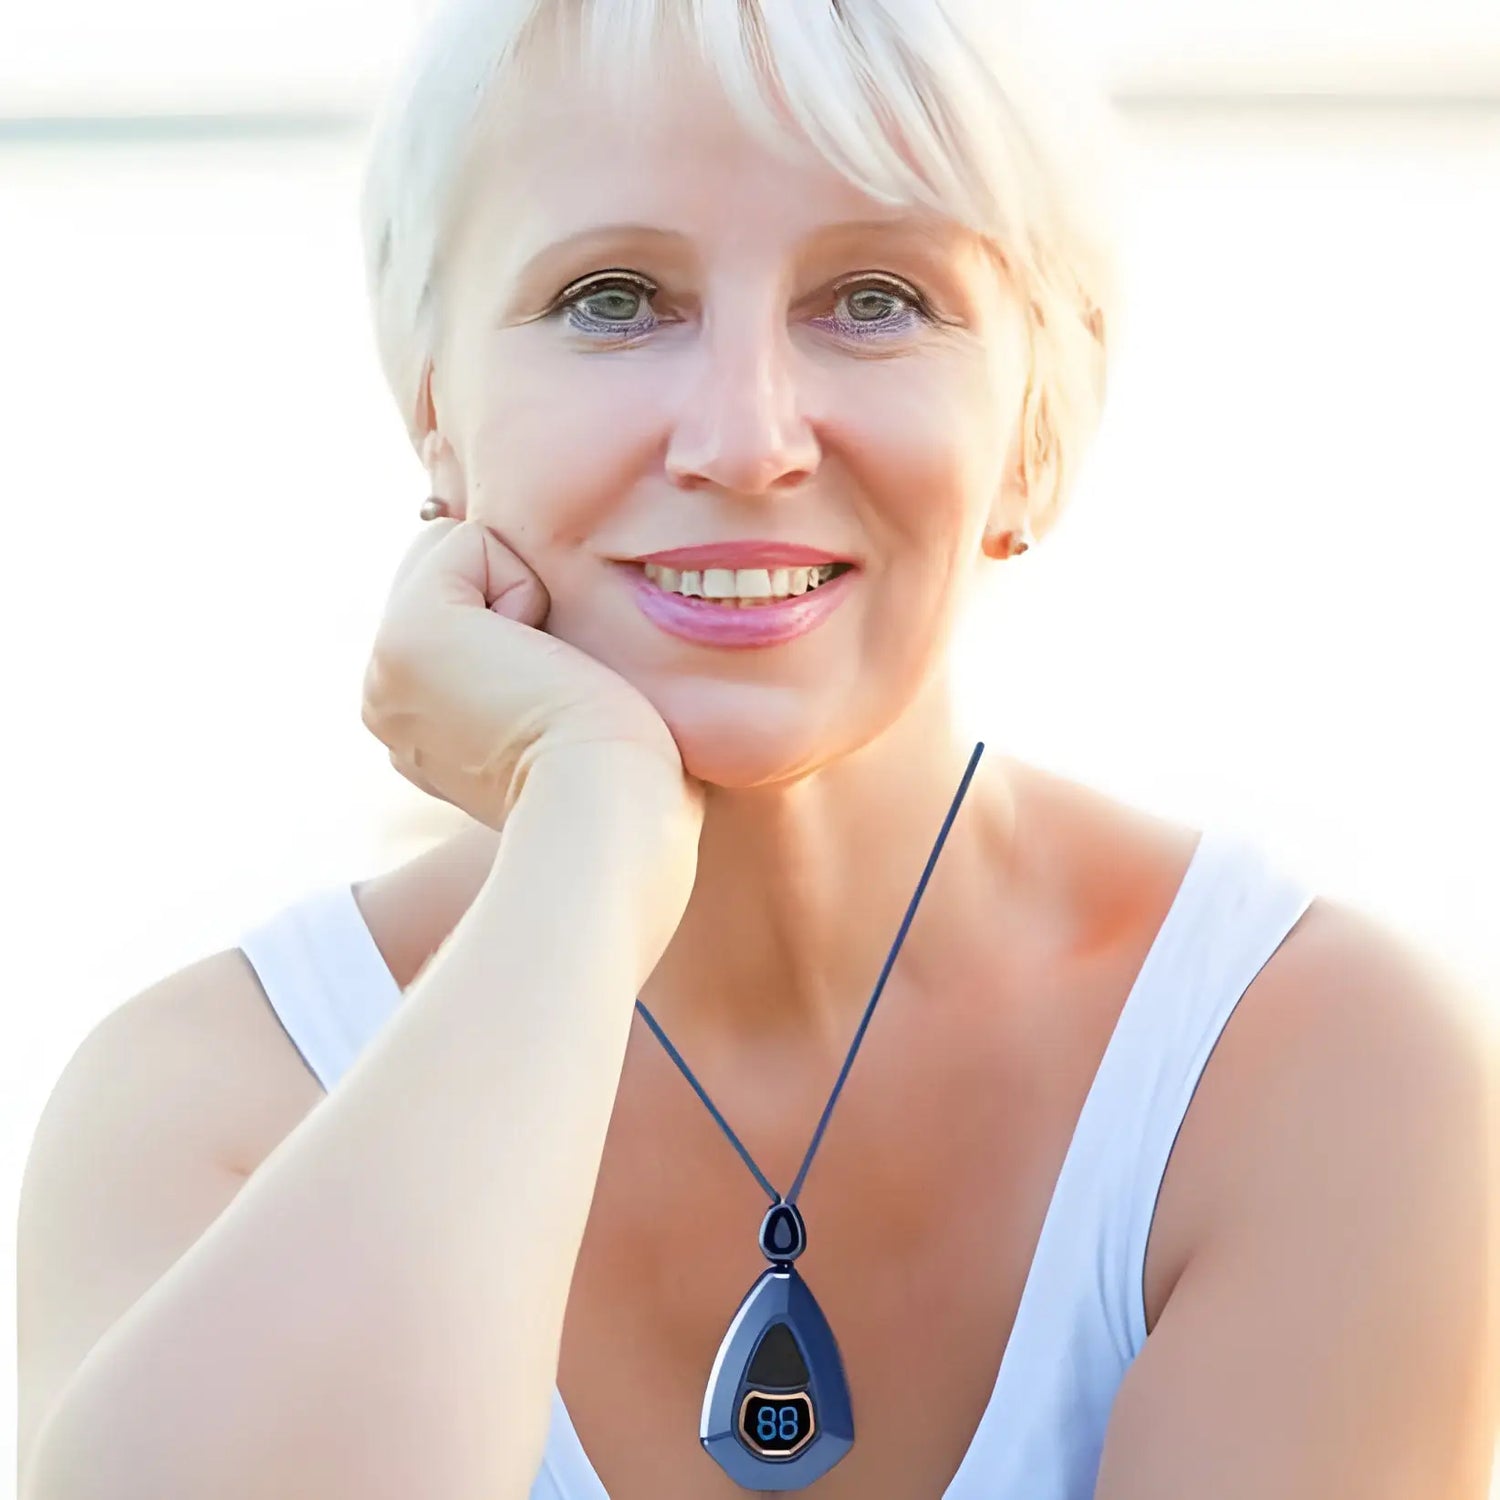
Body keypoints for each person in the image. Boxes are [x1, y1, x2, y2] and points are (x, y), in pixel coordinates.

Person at [17, 1, 1498, 1497]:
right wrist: (586, 840)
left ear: (1040, 424)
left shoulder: (1315, 1072)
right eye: (612, 298)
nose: (745, 438)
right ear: (439, 417)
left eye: (871, 297)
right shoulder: (210, 1107)